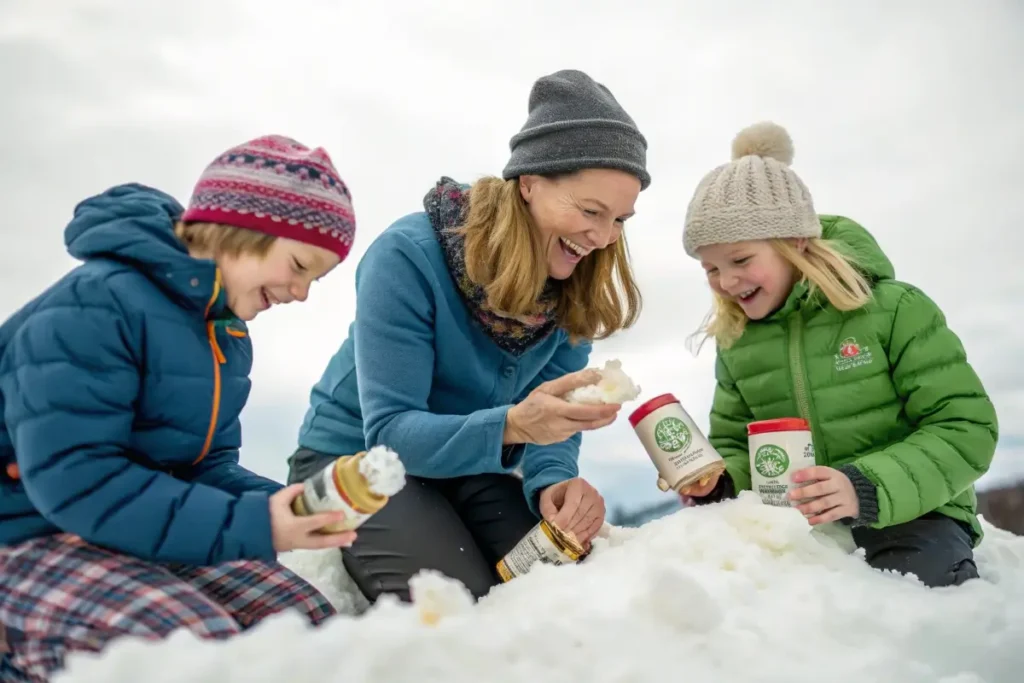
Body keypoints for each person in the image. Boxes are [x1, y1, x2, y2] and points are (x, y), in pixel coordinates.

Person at [0, 135, 358, 681]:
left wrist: (292, 504)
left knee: (306, 625)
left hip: (121, 530)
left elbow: (203, 467)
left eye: (317, 278)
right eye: (299, 264)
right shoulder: (96, 305)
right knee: (192, 651)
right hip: (24, 536)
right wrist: (259, 524)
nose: (302, 293)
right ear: (245, 228)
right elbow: (79, 481)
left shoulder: (225, 336)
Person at [288, 69, 650, 602]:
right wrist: (515, 424)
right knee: (455, 602)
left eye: (620, 218)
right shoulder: (410, 256)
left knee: (556, 584)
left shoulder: (574, 281)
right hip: (355, 459)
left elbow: (552, 412)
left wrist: (553, 480)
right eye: (590, 211)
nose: (601, 238)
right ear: (529, 182)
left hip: (469, 465)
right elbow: (390, 433)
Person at [680, 121, 998, 588]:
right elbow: (735, 442)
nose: (726, 282)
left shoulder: (893, 310)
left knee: (909, 595)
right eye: (711, 268)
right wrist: (720, 481)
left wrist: (865, 486)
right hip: (796, 524)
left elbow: (967, 428)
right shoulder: (738, 341)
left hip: (912, 515)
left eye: (741, 260)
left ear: (795, 242)